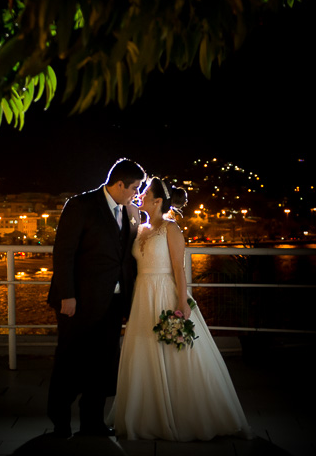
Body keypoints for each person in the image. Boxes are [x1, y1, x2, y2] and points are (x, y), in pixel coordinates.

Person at [109, 177, 252, 441]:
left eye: (145, 193)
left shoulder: (171, 229)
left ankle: (182, 413)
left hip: (164, 291)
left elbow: (178, 267)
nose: (140, 196)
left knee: (173, 350)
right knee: (145, 350)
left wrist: (182, 301)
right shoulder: (140, 229)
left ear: (158, 200)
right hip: (142, 294)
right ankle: (147, 413)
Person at [46, 158, 145, 438]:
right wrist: (67, 295)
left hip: (114, 303)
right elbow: (63, 253)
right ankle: (60, 422)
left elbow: (126, 259)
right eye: (134, 188)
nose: (136, 194)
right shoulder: (81, 205)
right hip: (78, 302)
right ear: (118, 184)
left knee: (103, 363)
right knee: (70, 360)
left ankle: (93, 422)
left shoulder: (131, 211)